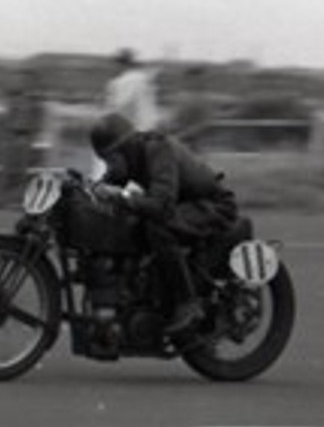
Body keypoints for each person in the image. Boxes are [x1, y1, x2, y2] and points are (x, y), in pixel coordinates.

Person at [89, 112, 240, 335]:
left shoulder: (158, 150)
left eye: (110, 158)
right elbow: (109, 181)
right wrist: (90, 190)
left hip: (213, 207)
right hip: (185, 207)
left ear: (125, 148)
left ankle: (188, 302)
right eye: (104, 160)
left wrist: (120, 197)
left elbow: (161, 206)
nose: (108, 165)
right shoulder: (132, 158)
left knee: (157, 226)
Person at [0, 64, 47, 209]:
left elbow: (38, 121)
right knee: (5, 171)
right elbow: (5, 118)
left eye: (27, 79)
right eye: (22, 79)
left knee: (21, 172)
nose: (23, 82)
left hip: (25, 137)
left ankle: (19, 202)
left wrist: (32, 136)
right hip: (9, 136)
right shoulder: (13, 98)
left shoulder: (36, 102)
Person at [104, 48, 162, 132]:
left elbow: (120, 105)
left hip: (132, 129)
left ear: (120, 64)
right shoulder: (144, 78)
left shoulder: (118, 82)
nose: (113, 67)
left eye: (115, 64)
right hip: (152, 126)